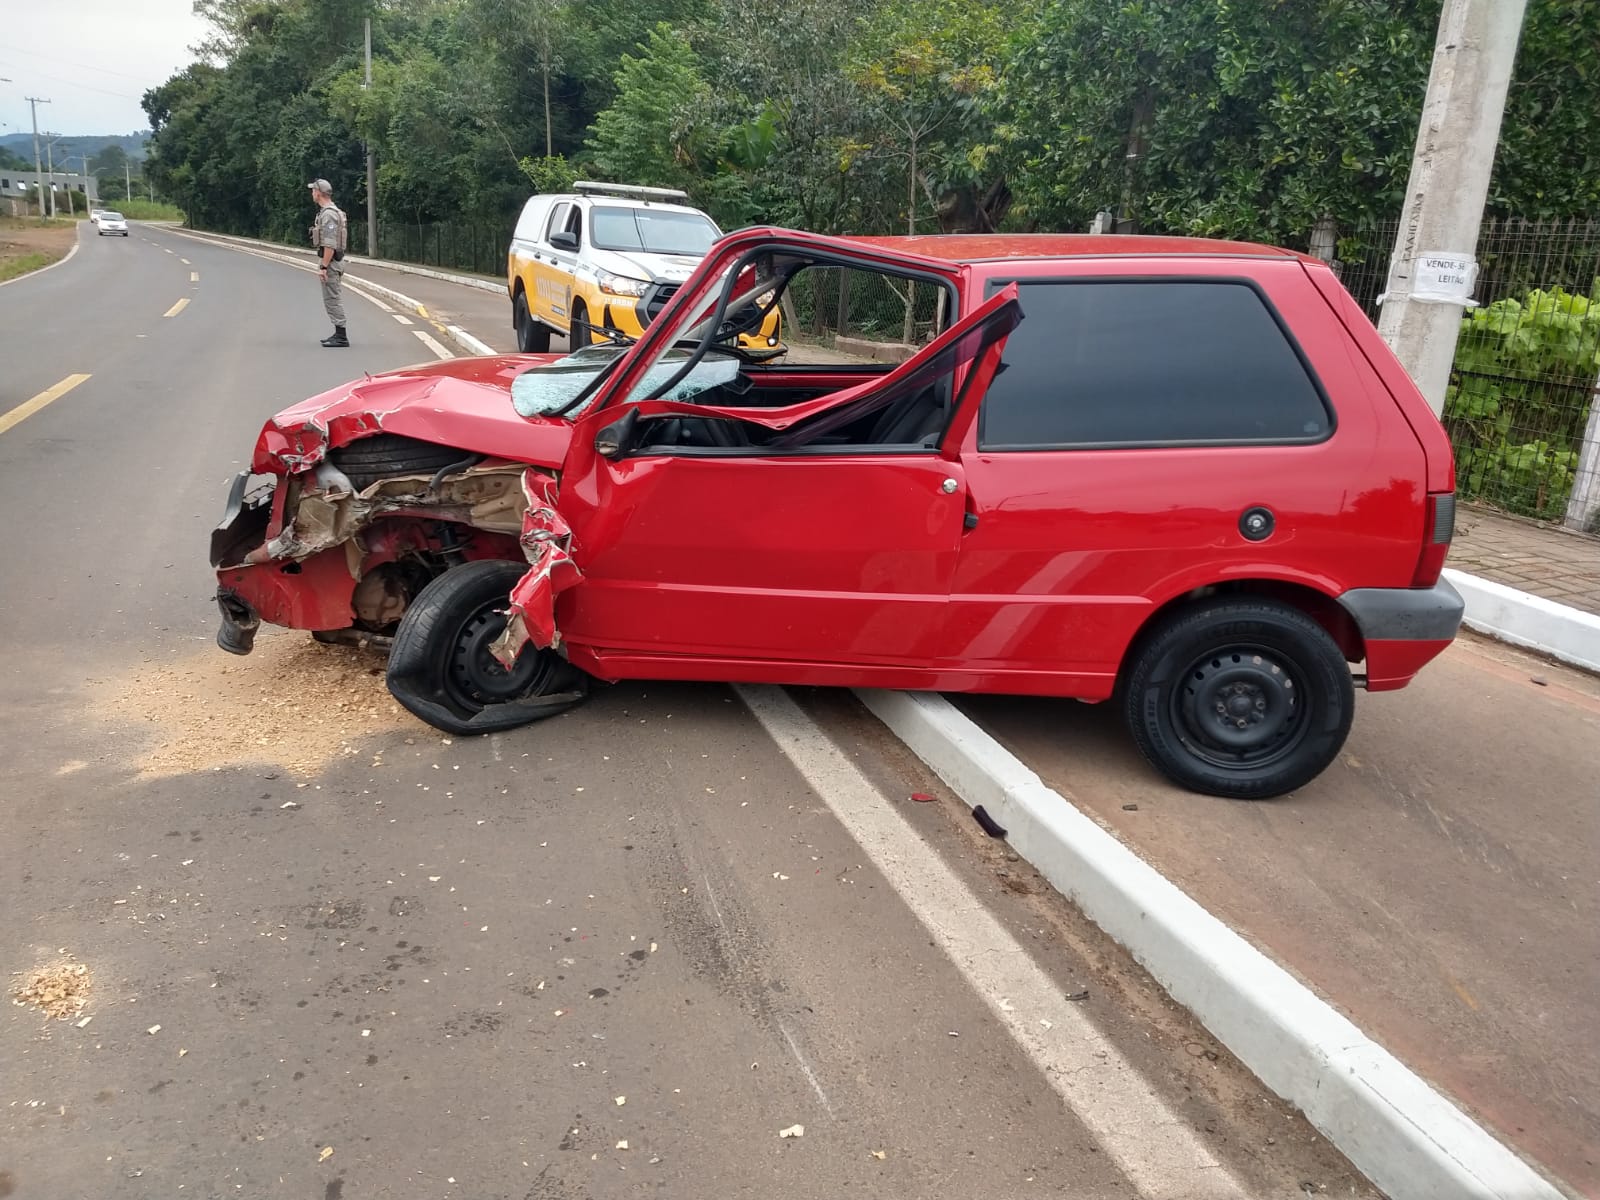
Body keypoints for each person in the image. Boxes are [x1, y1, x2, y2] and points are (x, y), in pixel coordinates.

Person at [308, 179, 349, 347]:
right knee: (330, 298)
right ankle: (338, 333)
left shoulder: (329, 214)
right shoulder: (328, 212)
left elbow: (330, 244)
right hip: (331, 261)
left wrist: (324, 266)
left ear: (319, 193)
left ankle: (341, 336)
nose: (311, 193)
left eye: (313, 190)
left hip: (331, 263)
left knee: (332, 299)